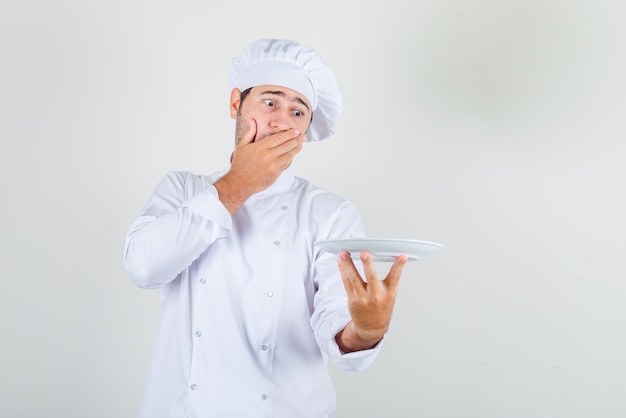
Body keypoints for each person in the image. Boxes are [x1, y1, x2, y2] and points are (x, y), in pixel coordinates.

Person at [124, 38, 408, 418]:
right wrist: (239, 181)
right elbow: (144, 268)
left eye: (298, 112)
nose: (281, 122)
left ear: (305, 132)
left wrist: (367, 330)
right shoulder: (182, 189)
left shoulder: (328, 212)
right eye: (270, 102)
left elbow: (337, 323)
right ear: (235, 104)